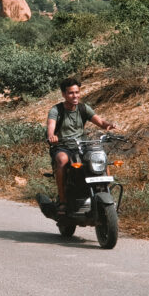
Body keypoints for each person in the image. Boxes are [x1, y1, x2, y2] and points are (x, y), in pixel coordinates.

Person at [46, 77, 115, 215]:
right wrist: (51, 135)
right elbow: (51, 125)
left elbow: (100, 121)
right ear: (64, 94)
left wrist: (108, 124)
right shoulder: (56, 110)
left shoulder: (83, 108)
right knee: (62, 160)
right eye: (71, 93)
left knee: (101, 156)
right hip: (63, 146)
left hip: (81, 146)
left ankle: (105, 195)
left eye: (77, 92)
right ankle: (63, 200)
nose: (75, 96)